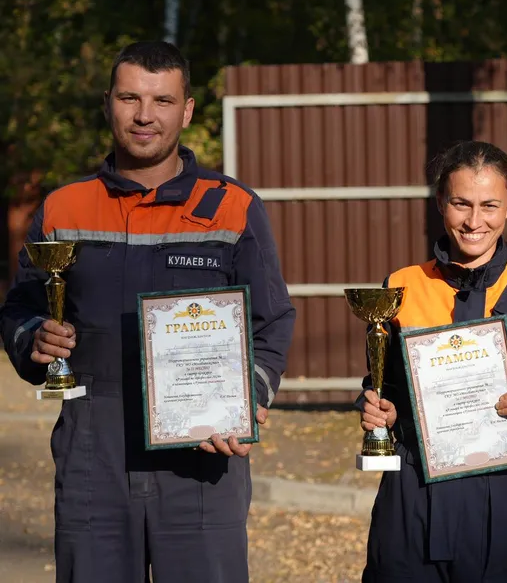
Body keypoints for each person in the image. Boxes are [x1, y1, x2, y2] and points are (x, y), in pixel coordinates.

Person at [0, 41, 295, 582]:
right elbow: (20, 306)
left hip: (202, 458)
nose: (144, 116)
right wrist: (33, 339)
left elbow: (271, 321)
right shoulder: (63, 208)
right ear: (108, 102)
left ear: (185, 110)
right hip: (94, 451)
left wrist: (245, 397)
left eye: (162, 101)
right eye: (130, 97)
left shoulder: (233, 207)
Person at [357, 140, 507, 583]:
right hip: (412, 500)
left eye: (489, 205)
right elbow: (381, 387)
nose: (475, 221)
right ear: (440, 203)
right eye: (461, 204)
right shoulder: (400, 287)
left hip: (504, 505)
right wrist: (380, 410)